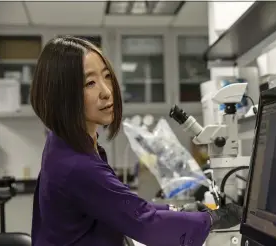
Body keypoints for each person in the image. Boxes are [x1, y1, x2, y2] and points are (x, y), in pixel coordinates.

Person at [30, 36, 242, 246]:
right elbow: (143, 222)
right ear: (62, 94)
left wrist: (178, 211)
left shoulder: (66, 144)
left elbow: (122, 207)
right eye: (90, 83)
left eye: (106, 77)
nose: (106, 91)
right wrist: (212, 219)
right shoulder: (76, 164)